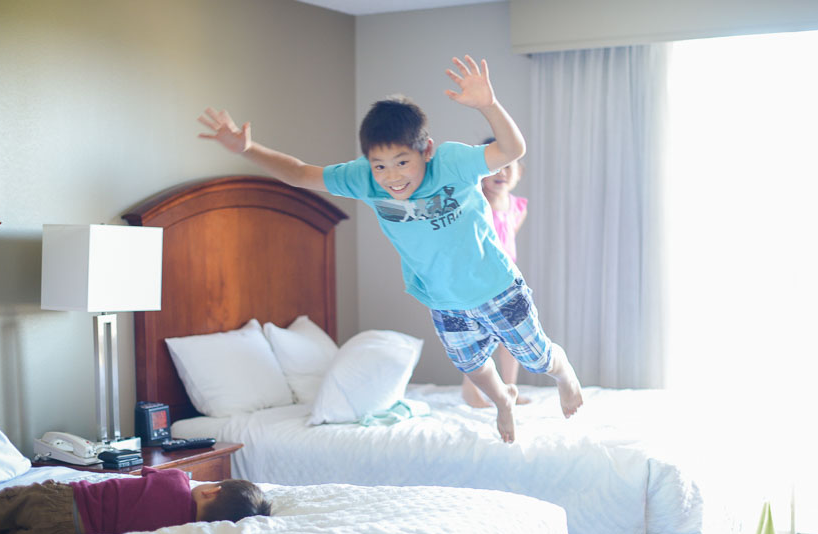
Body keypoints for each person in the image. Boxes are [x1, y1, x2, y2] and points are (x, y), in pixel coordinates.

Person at [197, 55, 583, 443]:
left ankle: (563, 370)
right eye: (380, 166)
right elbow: (299, 173)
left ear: (426, 150)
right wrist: (247, 149)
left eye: (402, 162)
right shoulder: (364, 180)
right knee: (472, 364)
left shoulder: (451, 162)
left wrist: (488, 106)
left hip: (496, 285)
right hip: (444, 299)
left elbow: (512, 149)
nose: (392, 177)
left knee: (536, 358)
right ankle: (503, 401)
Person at [0, 466, 271, 534]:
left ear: (210, 492)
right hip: (68, 531)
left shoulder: (178, 480)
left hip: (61, 501)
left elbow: (146, 475)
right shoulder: (182, 530)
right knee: (2, 533)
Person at [461, 136, 531, 409]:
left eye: (508, 166)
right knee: (482, 336)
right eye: (494, 167)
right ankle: (471, 390)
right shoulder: (475, 202)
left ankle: (510, 388)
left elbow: (507, 242)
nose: (501, 173)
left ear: (519, 173)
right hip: (478, 278)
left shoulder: (517, 207)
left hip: (506, 278)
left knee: (513, 335)